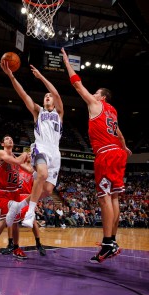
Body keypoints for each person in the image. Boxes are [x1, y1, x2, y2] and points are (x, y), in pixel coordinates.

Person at [61, 48, 132, 263]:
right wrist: (125, 146)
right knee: (115, 197)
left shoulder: (95, 104)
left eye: (96, 92)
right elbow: (118, 131)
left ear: (101, 97)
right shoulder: (113, 110)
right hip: (118, 152)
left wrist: (66, 61)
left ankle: (108, 243)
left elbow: (76, 84)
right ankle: (113, 241)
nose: (92, 94)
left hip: (106, 154)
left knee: (104, 199)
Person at [0, 61, 64, 228]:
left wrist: (41, 77)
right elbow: (23, 95)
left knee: (48, 190)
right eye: (45, 96)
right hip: (40, 147)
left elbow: (56, 93)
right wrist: (11, 76)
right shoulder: (38, 111)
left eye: (49, 96)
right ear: (43, 102)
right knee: (41, 175)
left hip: (55, 153)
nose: (48, 96)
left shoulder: (59, 113)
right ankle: (30, 213)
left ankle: (19, 205)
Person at [0, 135, 28, 262]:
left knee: (15, 222)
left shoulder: (14, 156)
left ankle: (16, 248)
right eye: (7, 139)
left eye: (11, 139)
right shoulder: (0, 153)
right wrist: (25, 154)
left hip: (14, 193)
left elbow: (29, 169)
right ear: (2, 144)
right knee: (4, 221)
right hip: (3, 193)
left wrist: (39, 166)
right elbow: (19, 162)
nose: (10, 140)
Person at [2, 160, 46, 257]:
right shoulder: (17, 168)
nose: (29, 155)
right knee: (12, 221)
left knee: (33, 220)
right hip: (16, 196)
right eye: (27, 154)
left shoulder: (33, 170)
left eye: (30, 154)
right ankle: (11, 244)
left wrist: (33, 199)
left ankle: (38, 243)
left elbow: (37, 187)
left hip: (27, 196)